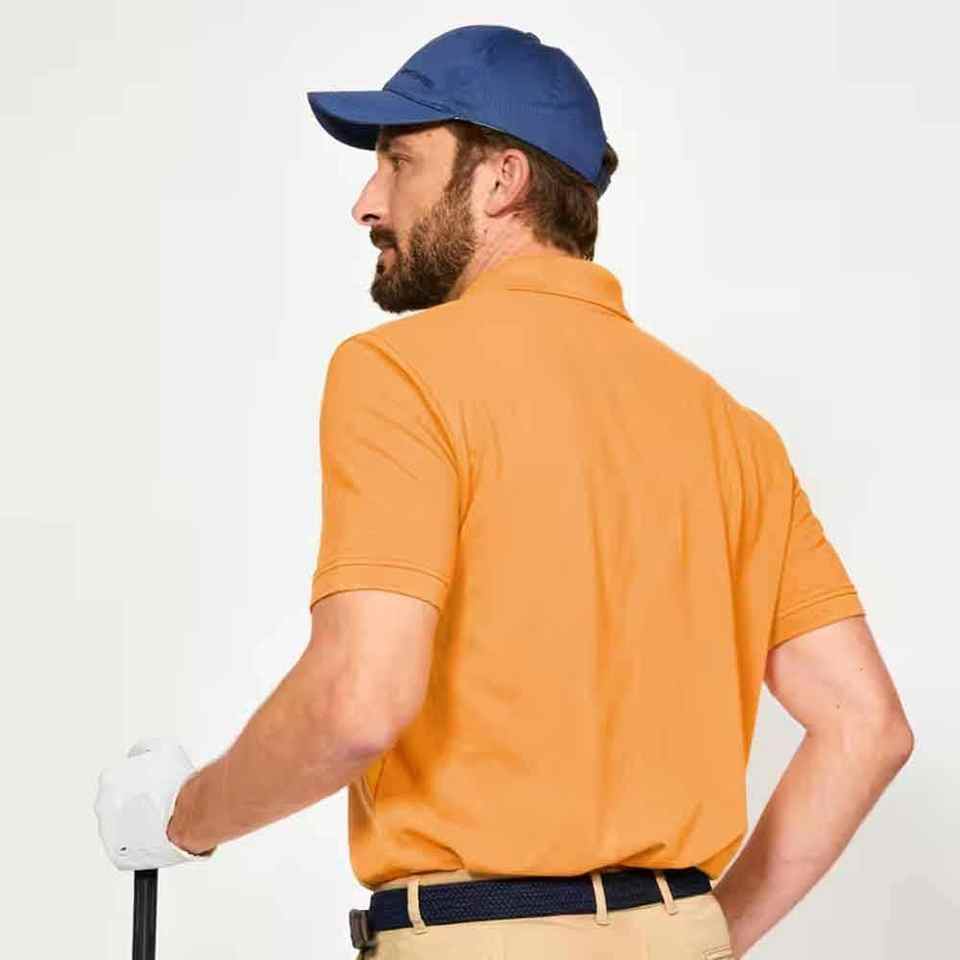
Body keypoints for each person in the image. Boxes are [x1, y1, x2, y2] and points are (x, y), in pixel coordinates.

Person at [93, 24, 914, 959]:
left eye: (399, 161)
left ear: (501, 180)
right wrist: (715, 936)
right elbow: (865, 728)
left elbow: (359, 701)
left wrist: (181, 819)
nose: (367, 202)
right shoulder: (732, 431)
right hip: (678, 935)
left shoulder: (401, 373)